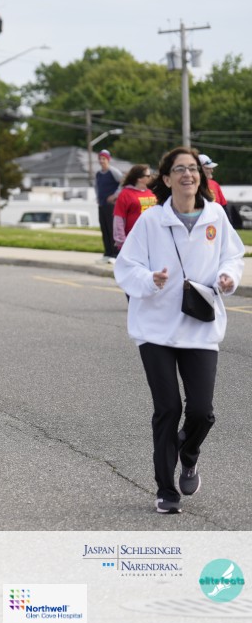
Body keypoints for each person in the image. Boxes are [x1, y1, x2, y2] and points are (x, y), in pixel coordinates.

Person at [113, 146, 244, 515]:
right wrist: (149, 279)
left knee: (201, 411)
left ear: (200, 178)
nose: (188, 174)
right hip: (155, 327)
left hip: (200, 324)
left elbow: (233, 256)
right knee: (168, 408)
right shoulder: (152, 221)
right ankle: (166, 489)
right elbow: (126, 265)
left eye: (193, 169)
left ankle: (189, 452)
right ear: (167, 179)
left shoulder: (216, 216)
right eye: (180, 169)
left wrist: (228, 277)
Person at [112, 164, 157, 251]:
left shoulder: (152, 192)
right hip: (133, 241)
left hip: (152, 240)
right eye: (148, 176)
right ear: (139, 178)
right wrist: (122, 242)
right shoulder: (125, 193)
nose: (151, 178)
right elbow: (119, 219)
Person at [95, 149, 123, 263]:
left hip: (112, 205)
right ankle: (107, 253)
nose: (102, 161)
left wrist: (115, 195)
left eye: (104, 159)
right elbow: (97, 186)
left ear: (108, 160)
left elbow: (123, 183)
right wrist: (97, 197)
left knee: (112, 229)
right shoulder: (98, 174)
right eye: (100, 159)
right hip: (102, 204)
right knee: (104, 229)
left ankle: (115, 254)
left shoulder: (113, 172)